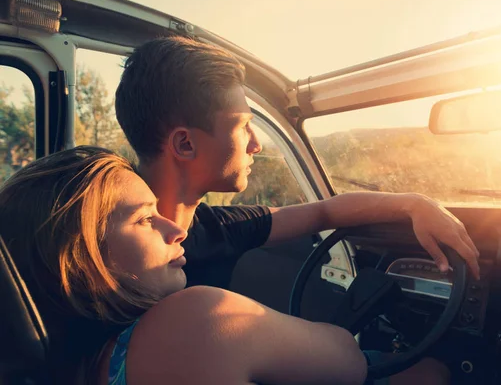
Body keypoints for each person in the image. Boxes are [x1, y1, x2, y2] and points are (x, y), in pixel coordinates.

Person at [0, 146, 449, 384]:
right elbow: (347, 359)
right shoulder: (190, 323)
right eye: (142, 219)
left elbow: (322, 213)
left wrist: (411, 202)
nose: (175, 230)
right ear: (78, 262)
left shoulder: (56, 366)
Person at [114, 36, 481, 292]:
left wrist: (414, 204)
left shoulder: (217, 227)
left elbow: (323, 212)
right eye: (243, 127)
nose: (256, 145)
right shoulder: (99, 251)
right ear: (185, 143)